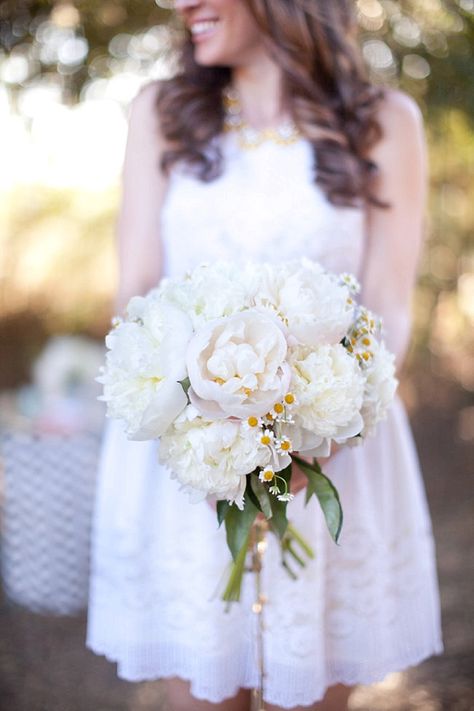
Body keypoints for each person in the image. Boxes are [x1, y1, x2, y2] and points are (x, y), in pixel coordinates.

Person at [86, 1, 443, 709]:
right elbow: (134, 288)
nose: (181, 2)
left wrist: (323, 431)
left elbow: (388, 301)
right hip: (187, 458)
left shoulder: (386, 121)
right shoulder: (160, 112)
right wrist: (197, 423)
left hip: (334, 448)